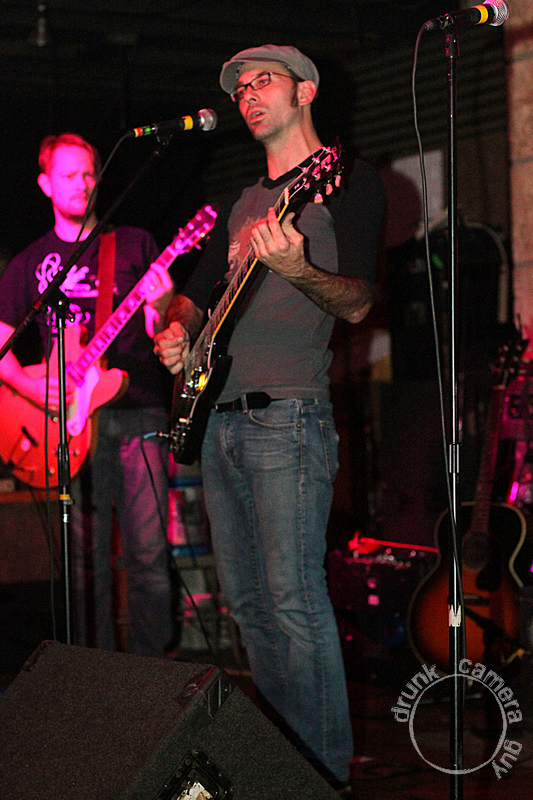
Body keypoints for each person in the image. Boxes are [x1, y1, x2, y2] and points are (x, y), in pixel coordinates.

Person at [155, 45, 384, 788]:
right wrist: (177, 327)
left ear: (305, 91)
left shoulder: (344, 181)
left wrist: (298, 269)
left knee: (294, 604)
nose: (248, 95)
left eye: (264, 82)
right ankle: (279, 768)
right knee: (250, 610)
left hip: (287, 417)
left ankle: (323, 776)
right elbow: (192, 292)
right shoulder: (244, 201)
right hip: (217, 419)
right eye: (241, 88)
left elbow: (358, 302)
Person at [0, 133, 174, 656]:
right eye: (70, 175)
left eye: (89, 173)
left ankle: (151, 675)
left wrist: (162, 302)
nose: (82, 183)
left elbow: (162, 328)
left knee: (149, 555)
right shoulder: (30, 262)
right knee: (82, 563)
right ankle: (89, 674)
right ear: (45, 184)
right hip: (66, 427)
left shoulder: (134, 244)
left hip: (136, 410)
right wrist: (30, 385)